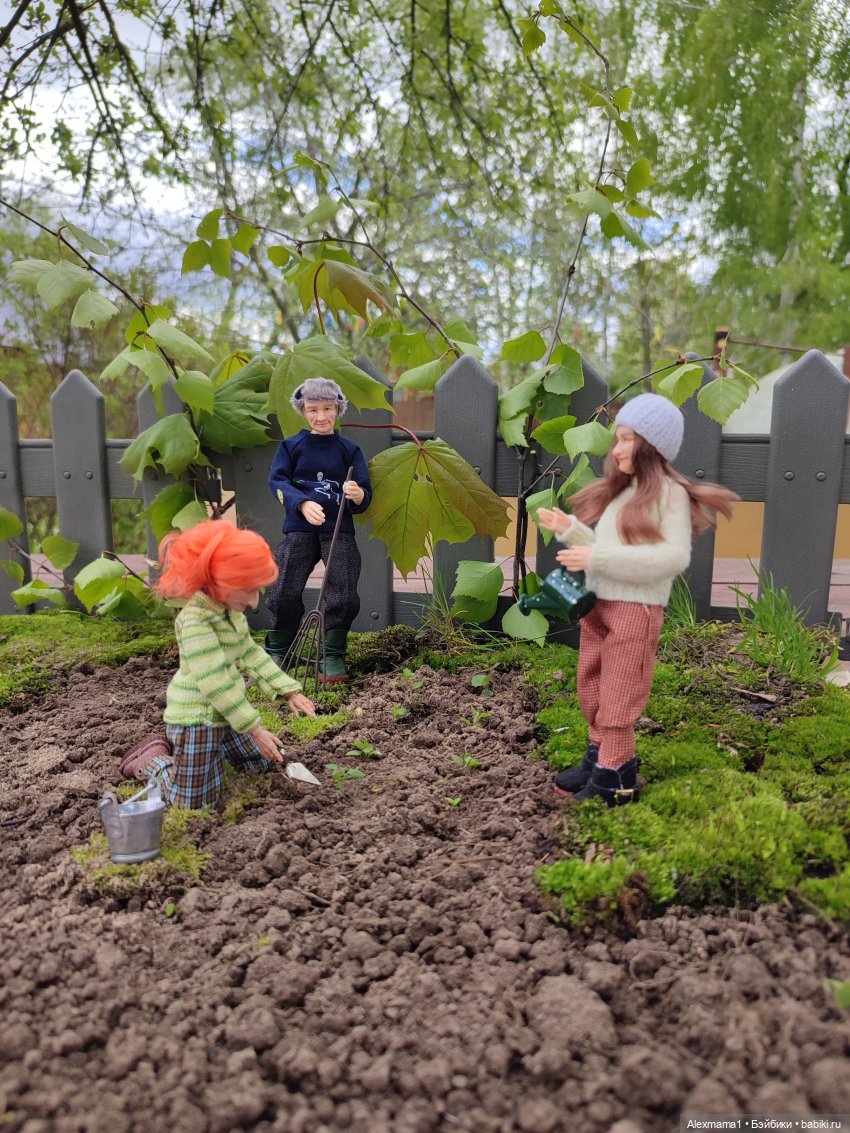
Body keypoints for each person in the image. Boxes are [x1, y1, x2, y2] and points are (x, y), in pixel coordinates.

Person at [537, 392, 737, 807]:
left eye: (627, 438)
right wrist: (572, 530)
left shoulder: (670, 495)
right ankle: (597, 757)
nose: (618, 448)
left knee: (619, 691)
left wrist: (598, 556)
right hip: (599, 605)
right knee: (590, 683)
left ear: (652, 445)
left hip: (635, 610)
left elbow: (672, 557)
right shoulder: (623, 494)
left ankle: (616, 775)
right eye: (618, 439)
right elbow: (606, 547)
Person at [120, 520, 315, 809]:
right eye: (248, 591)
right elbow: (216, 684)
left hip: (227, 716)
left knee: (261, 765)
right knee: (194, 803)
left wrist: (288, 690)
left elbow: (251, 653)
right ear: (218, 583)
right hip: (196, 721)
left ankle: (224, 752)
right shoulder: (196, 622)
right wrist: (255, 728)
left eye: (257, 590)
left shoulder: (228, 612)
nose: (253, 602)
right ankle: (153, 761)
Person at [265, 377, 372, 682]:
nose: (321, 416)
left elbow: (364, 491)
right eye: (313, 409)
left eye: (328, 408)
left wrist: (358, 494)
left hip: (338, 529)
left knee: (344, 589)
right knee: (283, 585)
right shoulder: (291, 446)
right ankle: (279, 647)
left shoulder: (349, 450)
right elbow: (278, 482)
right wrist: (300, 503)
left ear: (338, 409)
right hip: (299, 528)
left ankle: (333, 653)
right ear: (303, 410)